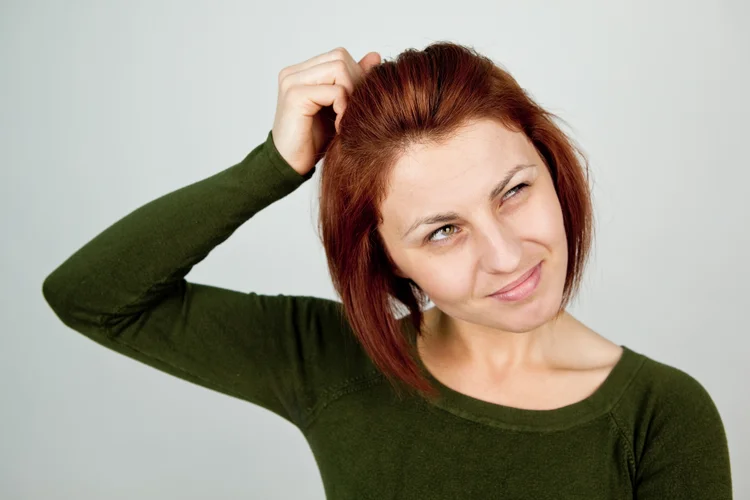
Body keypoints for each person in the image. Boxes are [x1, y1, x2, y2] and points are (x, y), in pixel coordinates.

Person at [42, 42, 733, 499]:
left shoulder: (659, 415)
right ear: (383, 257)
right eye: (443, 230)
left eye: (514, 191)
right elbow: (92, 296)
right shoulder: (332, 361)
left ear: (554, 170)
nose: (506, 253)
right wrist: (273, 166)